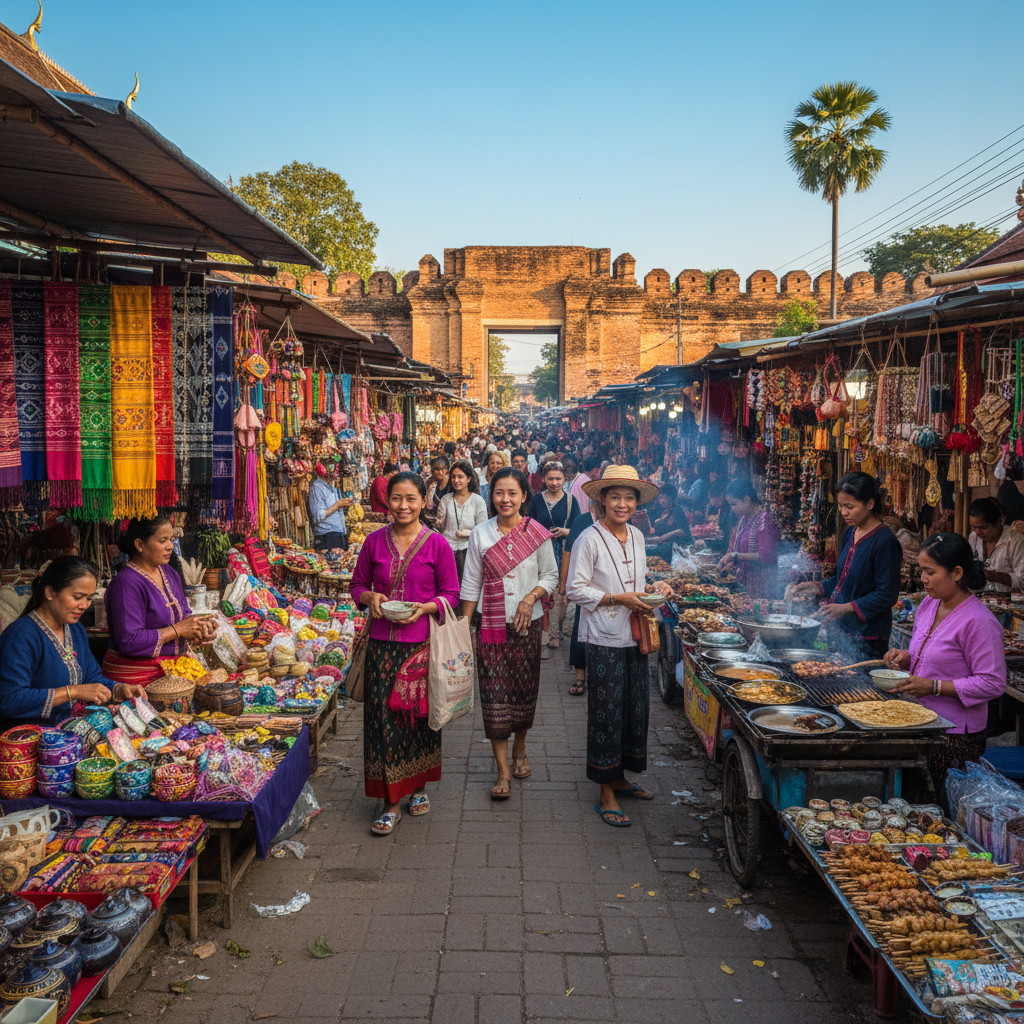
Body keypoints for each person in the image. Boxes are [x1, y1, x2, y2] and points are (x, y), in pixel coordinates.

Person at [350, 472, 460, 836]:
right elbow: (357, 585)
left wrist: (426, 608)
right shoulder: (372, 543)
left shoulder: (438, 545)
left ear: (423, 500)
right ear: (388, 501)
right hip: (382, 647)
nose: (403, 506)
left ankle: (418, 786)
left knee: (419, 718)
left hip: (422, 646)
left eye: (411, 499)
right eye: (397, 498)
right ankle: (390, 801)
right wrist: (372, 598)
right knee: (382, 723)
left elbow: (451, 594)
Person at [883, 533, 1006, 808]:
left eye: (930, 572)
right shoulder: (930, 603)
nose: (923, 579)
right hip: (922, 722)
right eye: (921, 571)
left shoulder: (979, 621)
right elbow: (929, 654)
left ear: (957, 572)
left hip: (955, 737)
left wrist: (934, 686)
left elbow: (993, 683)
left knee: (943, 809)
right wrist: (905, 658)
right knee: (916, 805)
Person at [567, 465, 659, 827]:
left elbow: (639, 579)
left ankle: (620, 776)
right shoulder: (588, 538)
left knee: (633, 708)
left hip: (635, 635)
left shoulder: (636, 535)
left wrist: (653, 593)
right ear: (602, 500)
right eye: (615, 497)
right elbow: (575, 589)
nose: (622, 504)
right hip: (604, 638)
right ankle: (605, 790)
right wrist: (616, 598)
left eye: (629, 498)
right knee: (605, 712)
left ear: (637, 503)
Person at [460, 467, 558, 799]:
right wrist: (463, 627)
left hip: (527, 627)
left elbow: (551, 575)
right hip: (491, 626)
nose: (505, 499)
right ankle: (502, 771)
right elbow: (471, 583)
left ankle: (520, 749)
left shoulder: (538, 532)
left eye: (512, 493)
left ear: (524, 497)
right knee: (494, 696)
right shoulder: (480, 534)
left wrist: (531, 598)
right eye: (499, 493)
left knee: (523, 692)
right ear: (492, 497)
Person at [0, 557, 147, 732]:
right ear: (50, 592)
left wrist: (118, 689)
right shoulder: (20, 636)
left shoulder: (76, 630)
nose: (84, 605)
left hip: (67, 733)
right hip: (26, 740)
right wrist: (72, 692)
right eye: (78, 597)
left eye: (90, 598)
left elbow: (91, 677)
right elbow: (9, 699)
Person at [784, 473, 902, 660]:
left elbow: (887, 595)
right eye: (840, 506)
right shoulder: (849, 533)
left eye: (850, 507)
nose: (844, 512)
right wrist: (818, 587)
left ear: (870, 505)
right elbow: (845, 578)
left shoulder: (885, 541)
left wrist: (847, 607)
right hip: (841, 630)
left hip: (867, 637)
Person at [103, 518, 218, 687]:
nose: (170, 546)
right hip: (137, 680)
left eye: (171, 539)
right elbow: (129, 640)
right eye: (162, 541)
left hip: (172, 672)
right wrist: (178, 630)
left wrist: (197, 631)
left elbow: (184, 617)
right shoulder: (126, 583)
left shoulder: (170, 573)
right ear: (140, 545)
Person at [527, 461, 581, 653]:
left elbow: (578, 527)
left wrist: (566, 531)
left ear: (564, 479)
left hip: (561, 550)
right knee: (541, 589)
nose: (554, 482)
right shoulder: (536, 500)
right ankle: (541, 631)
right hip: (539, 550)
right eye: (550, 478)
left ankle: (555, 633)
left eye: (558, 478)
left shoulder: (570, 500)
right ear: (543, 479)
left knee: (558, 590)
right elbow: (527, 523)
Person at [717, 479, 780, 599]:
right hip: (745, 583)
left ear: (746, 499)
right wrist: (731, 562)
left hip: (761, 585)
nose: (732, 509)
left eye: (734, 504)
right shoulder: (745, 519)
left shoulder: (765, 519)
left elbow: (767, 556)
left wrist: (735, 556)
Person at [437, 459, 488, 581]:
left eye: (460, 477)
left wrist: (468, 533)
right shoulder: (446, 500)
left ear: (469, 478)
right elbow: (439, 526)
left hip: (469, 552)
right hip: (447, 551)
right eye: (453, 477)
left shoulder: (477, 501)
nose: (456, 480)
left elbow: (482, 531)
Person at [968, 497, 1024, 595]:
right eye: (974, 527)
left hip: (1009, 604)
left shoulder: (1016, 541)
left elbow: (1022, 579)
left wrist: (995, 576)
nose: (978, 532)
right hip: (979, 599)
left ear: (998, 522)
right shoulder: (973, 537)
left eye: (983, 527)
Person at [307, 464, 352, 551]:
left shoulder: (333, 488)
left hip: (339, 534)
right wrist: (337, 505)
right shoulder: (317, 488)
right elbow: (317, 517)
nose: (337, 473)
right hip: (327, 537)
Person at [646, 482, 693, 560]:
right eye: (660, 498)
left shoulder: (677, 510)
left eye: (663, 497)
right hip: (662, 545)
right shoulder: (660, 512)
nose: (661, 501)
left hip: (675, 548)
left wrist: (661, 539)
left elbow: (681, 531)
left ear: (670, 498)